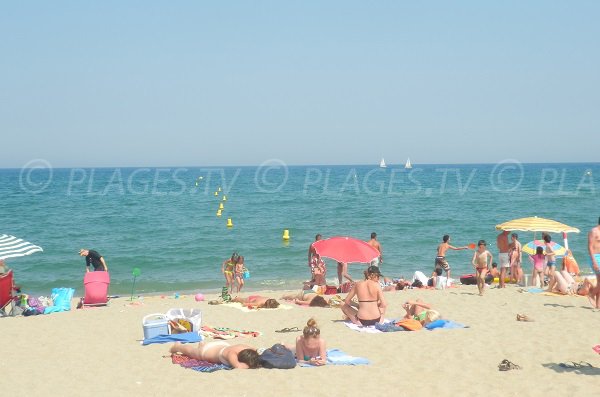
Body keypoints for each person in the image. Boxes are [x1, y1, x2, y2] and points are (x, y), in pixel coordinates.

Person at [169, 341, 260, 369]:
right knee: (191, 352)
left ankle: (202, 344)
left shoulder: (244, 346)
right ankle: (178, 346)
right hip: (205, 352)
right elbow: (238, 366)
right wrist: (250, 365)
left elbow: (257, 350)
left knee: (198, 349)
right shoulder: (232, 354)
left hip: (220, 345)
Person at [587, 217, 600, 308]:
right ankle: (591, 294)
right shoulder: (594, 231)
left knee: (599, 282)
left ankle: (598, 304)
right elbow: (590, 246)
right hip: (595, 258)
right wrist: (594, 261)